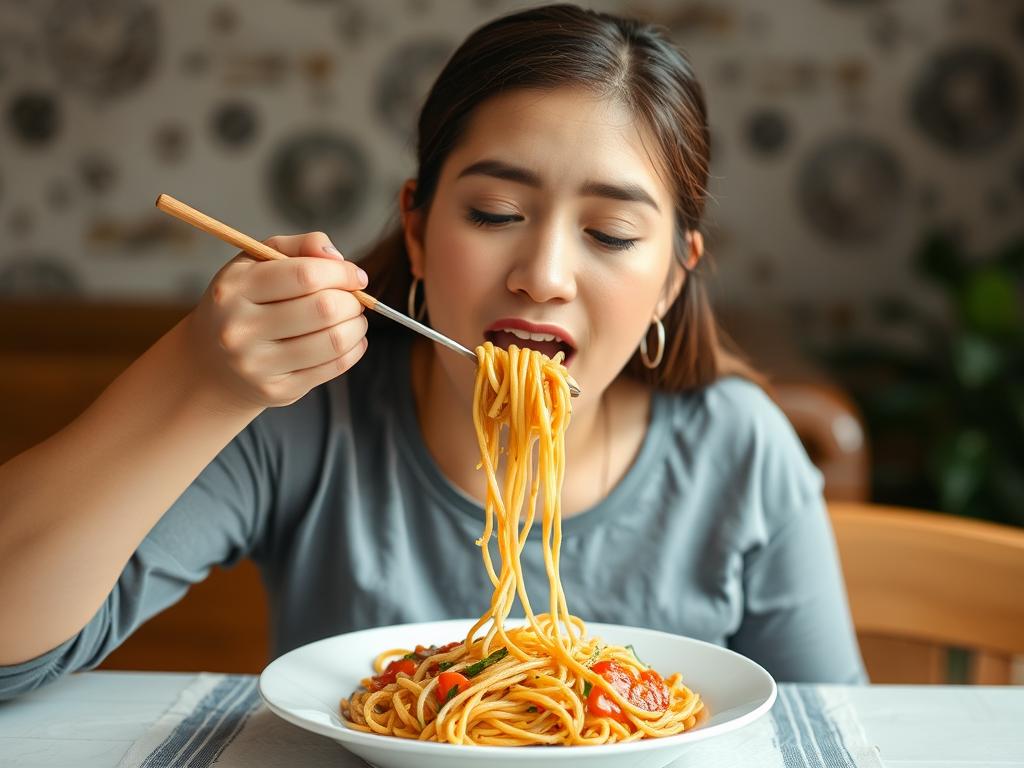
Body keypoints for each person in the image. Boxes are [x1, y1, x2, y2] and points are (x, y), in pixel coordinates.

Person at [0, 4, 864, 699]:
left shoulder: (741, 451)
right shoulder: (310, 417)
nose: (544, 275)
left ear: (676, 277)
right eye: (495, 214)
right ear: (416, 228)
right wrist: (195, 377)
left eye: (609, 232)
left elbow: (835, 732)